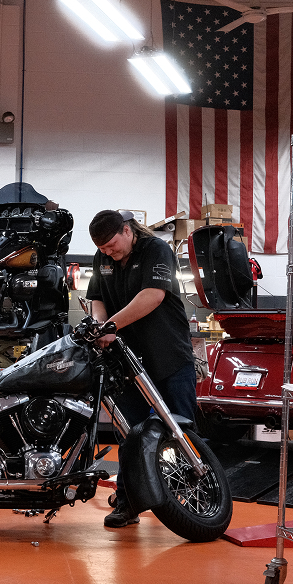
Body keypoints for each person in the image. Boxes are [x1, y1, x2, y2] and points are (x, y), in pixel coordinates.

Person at [86, 210, 196, 529]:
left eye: (111, 244)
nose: (108, 252)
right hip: (127, 360)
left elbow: (153, 295)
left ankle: (193, 498)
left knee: (181, 430)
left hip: (168, 354)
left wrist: (111, 325)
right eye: (102, 248)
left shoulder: (156, 249)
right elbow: (96, 299)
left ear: (126, 230)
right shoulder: (103, 258)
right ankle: (128, 501)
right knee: (131, 434)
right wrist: (98, 325)